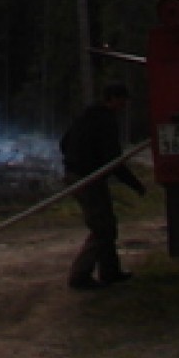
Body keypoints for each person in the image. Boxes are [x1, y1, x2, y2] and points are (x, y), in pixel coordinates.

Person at [60, 82, 146, 289]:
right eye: (122, 100)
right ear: (113, 99)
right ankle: (80, 277)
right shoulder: (105, 121)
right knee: (102, 228)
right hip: (86, 178)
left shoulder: (86, 116)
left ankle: (110, 272)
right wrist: (136, 185)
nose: (124, 105)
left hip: (81, 175)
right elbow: (114, 160)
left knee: (107, 223)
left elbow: (63, 143)